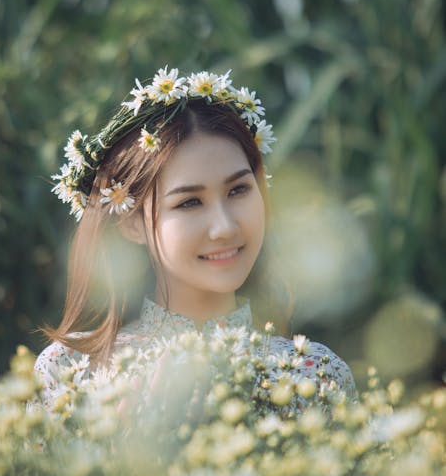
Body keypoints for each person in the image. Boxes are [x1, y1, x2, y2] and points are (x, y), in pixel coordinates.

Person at [34, 66, 357, 417]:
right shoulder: (71, 374)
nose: (224, 227)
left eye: (238, 190)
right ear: (131, 223)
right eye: (189, 202)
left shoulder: (316, 375)